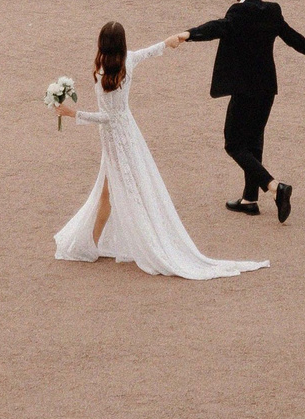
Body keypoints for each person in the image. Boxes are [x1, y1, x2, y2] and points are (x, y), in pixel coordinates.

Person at [54, 22, 267, 279]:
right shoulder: (127, 61)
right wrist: (169, 41)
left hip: (115, 140)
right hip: (128, 135)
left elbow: (107, 117)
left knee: (110, 193)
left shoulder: (102, 72)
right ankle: (95, 244)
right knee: (111, 191)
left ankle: (94, 246)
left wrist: (73, 113)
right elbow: (148, 52)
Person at [169, 0, 305, 222]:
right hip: (267, 89)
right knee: (254, 141)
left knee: (234, 143)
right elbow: (291, 37)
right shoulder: (272, 10)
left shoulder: (238, 13)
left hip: (245, 89)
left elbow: (218, 27)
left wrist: (187, 34)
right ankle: (250, 199)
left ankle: (275, 187)